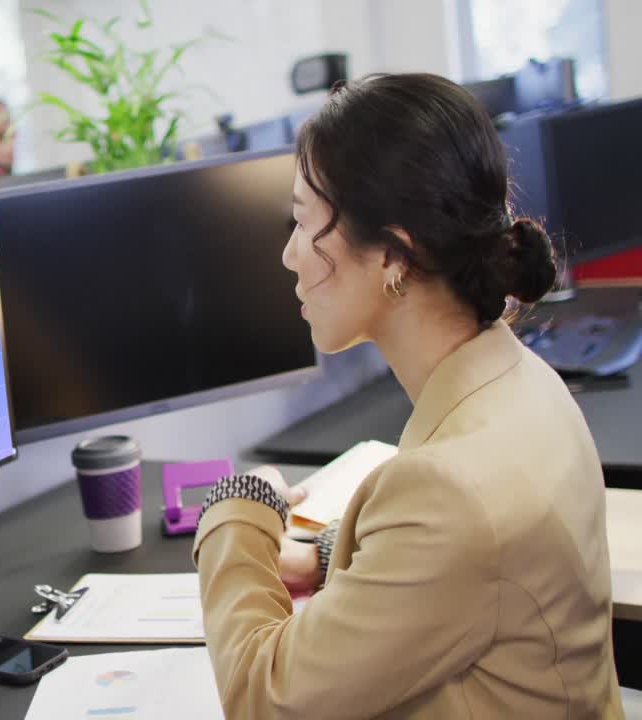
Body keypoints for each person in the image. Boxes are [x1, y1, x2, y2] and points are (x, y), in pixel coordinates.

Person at [193, 73, 623, 718]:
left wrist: (236, 514)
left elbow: (262, 697)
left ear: (395, 255)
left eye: (303, 223)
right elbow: (482, 570)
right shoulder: (523, 379)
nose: (288, 256)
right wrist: (331, 557)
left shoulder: (449, 492)